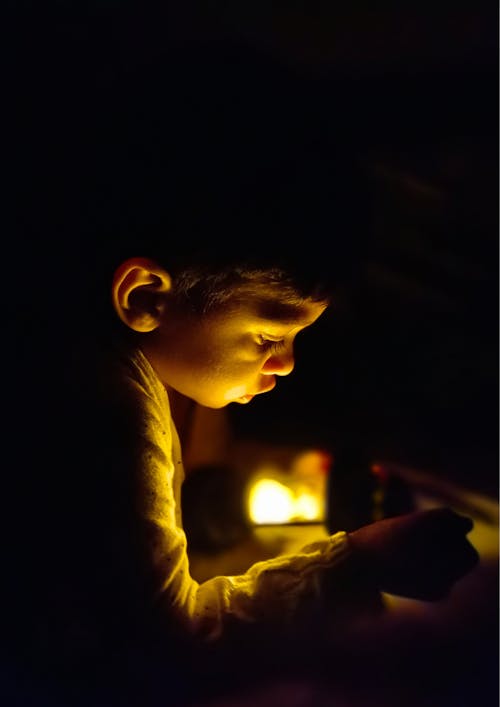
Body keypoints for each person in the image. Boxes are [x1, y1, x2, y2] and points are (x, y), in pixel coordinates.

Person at [4, 40, 479, 707]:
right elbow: (172, 640)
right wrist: (355, 564)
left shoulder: (77, 344)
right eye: (266, 334)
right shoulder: (101, 404)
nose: (284, 363)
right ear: (144, 298)